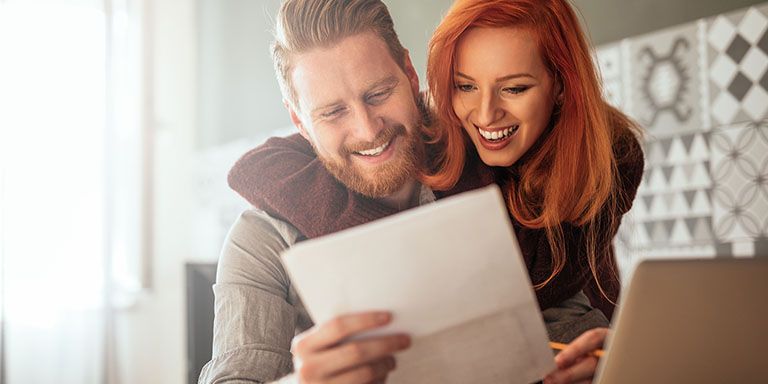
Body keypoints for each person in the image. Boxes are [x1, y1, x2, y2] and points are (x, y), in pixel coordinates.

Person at [203, 0, 642, 383]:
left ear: (411, 75)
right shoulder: (259, 241)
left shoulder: (492, 162)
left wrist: (597, 365)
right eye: (333, 112)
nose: (367, 128)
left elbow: (567, 319)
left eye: (378, 93)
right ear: (299, 121)